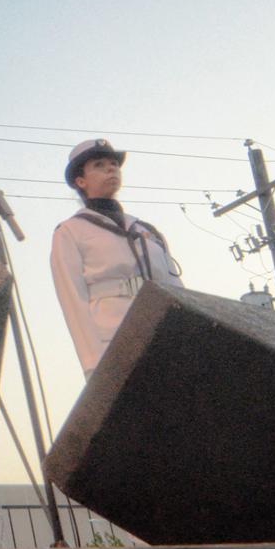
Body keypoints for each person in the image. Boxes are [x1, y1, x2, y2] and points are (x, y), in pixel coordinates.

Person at [50, 138, 184, 378]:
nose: (111, 169)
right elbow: (73, 300)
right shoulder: (70, 231)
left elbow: (177, 289)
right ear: (81, 181)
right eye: (99, 165)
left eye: (113, 164)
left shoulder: (147, 230)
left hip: (164, 333)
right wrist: (93, 364)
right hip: (114, 338)